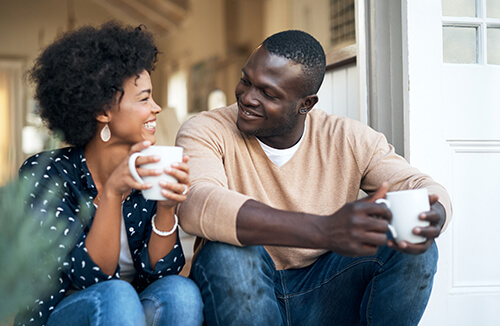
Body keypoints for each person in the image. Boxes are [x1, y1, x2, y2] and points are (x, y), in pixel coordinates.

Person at [175, 30, 452, 325]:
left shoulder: (348, 138)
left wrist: (431, 214)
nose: (247, 97)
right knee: (227, 252)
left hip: (325, 291)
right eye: (246, 80)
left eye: (268, 93)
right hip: (242, 286)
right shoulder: (205, 129)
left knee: (412, 244)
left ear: (305, 104)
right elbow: (195, 203)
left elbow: (424, 188)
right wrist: (323, 229)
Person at [15, 22, 203, 326]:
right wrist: (113, 193)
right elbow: (92, 276)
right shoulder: (48, 175)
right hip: (65, 312)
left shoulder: (148, 170)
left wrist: (167, 208)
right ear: (103, 111)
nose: (156, 108)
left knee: (181, 292)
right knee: (116, 295)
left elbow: (161, 273)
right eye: (144, 98)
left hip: (127, 311)